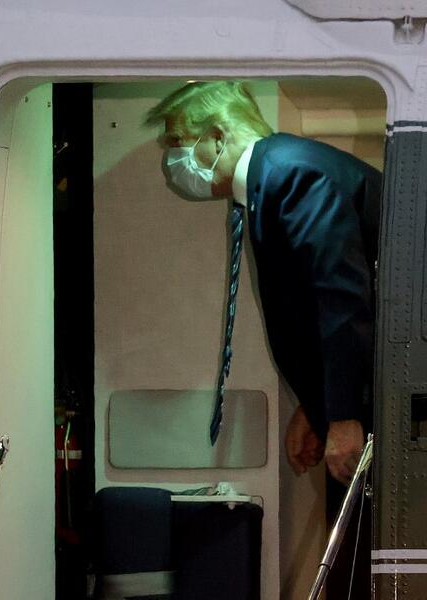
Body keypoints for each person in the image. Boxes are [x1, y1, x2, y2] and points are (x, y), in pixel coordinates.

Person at [147, 81, 379, 598]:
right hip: (357, 400)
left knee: (369, 556)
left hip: (373, 403)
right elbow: (317, 305)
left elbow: (340, 296)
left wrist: (340, 415)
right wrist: (314, 406)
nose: (173, 160)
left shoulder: (291, 175)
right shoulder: (274, 179)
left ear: (218, 135)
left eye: (177, 142)